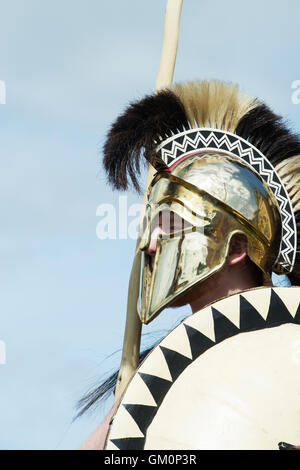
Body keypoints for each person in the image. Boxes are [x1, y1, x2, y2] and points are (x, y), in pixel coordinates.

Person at [79, 79, 300, 450]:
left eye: (172, 225)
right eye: (152, 227)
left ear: (236, 247)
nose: (150, 244)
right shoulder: (155, 379)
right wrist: (121, 416)